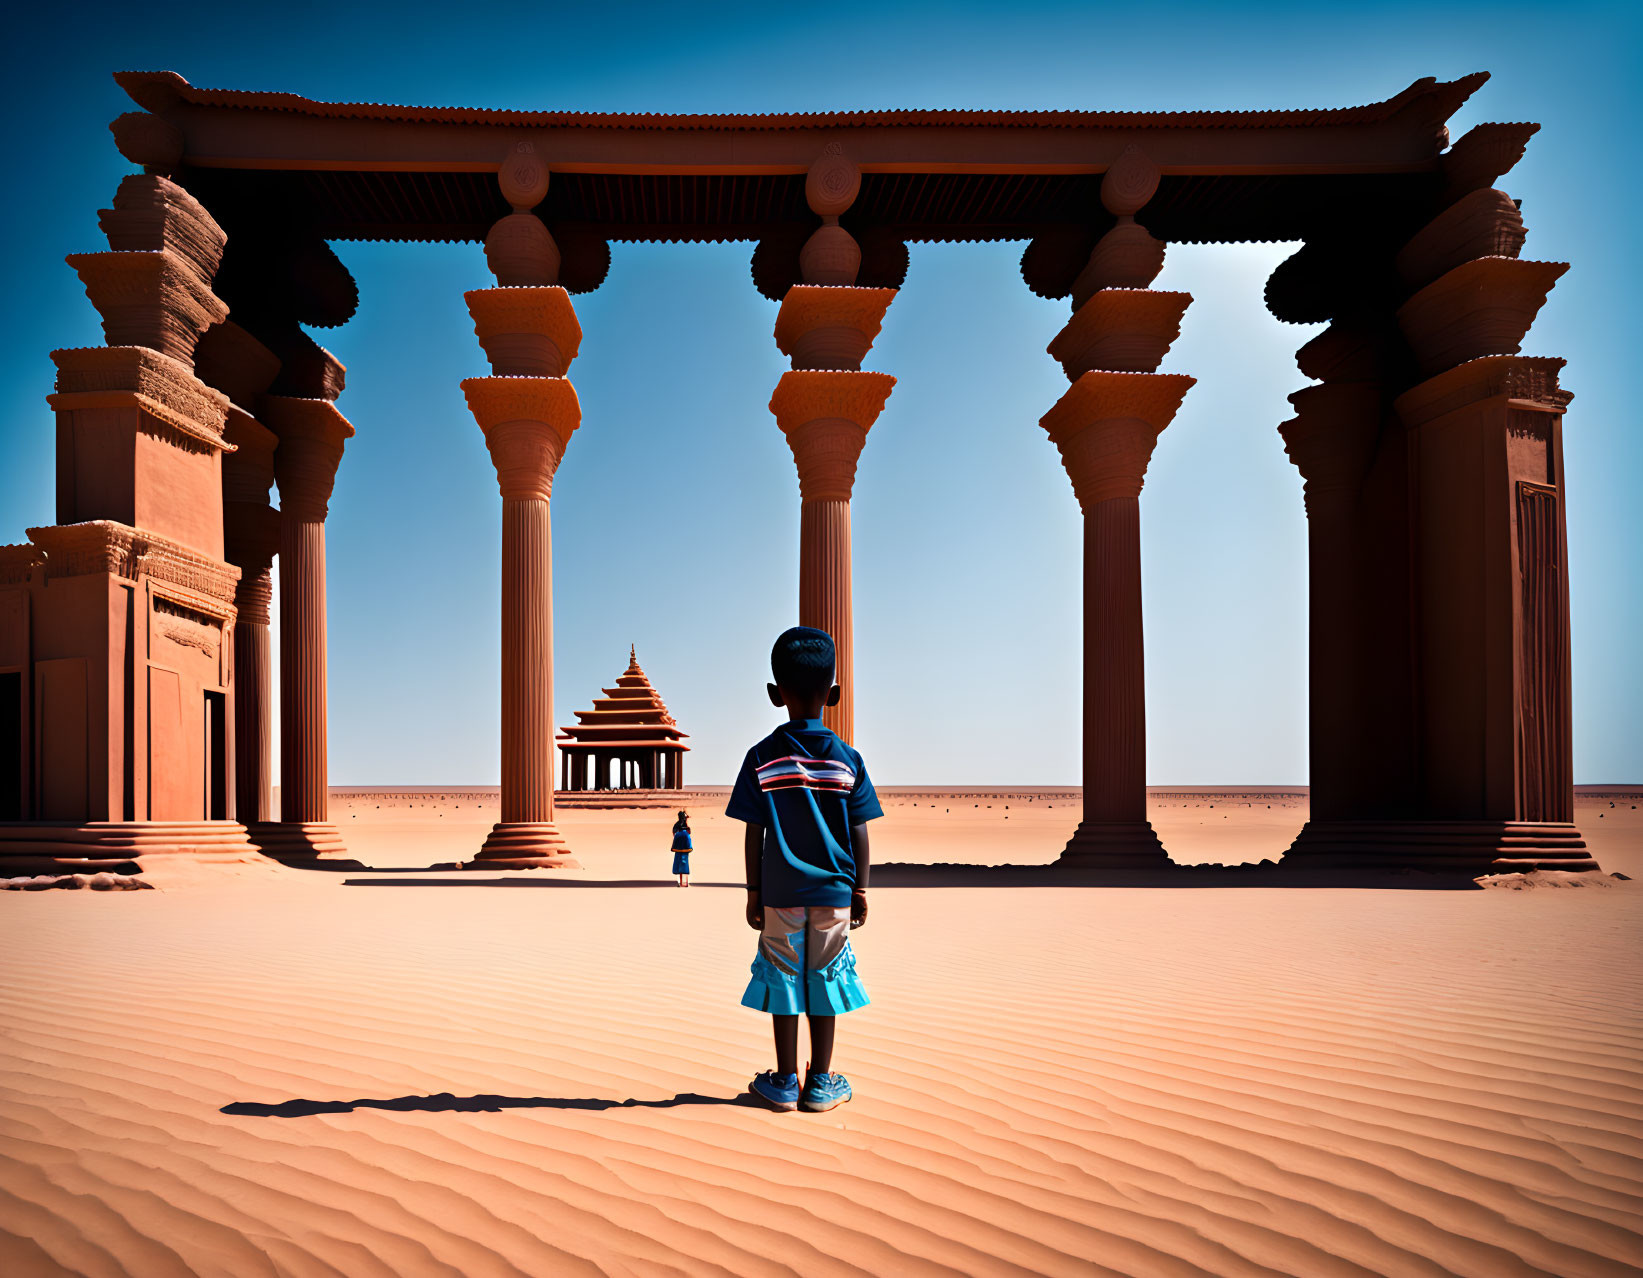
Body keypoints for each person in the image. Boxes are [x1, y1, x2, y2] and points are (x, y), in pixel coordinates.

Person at [726, 626, 881, 1113]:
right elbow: (859, 831)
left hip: (780, 892)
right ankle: (822, 1080)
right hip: (834, 892)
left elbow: (754, 832)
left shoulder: (761, 757)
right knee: (826, 980)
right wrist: (860, 889)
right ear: (833, 694)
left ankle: (784, 1081)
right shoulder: (848, 760)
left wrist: (754, 891)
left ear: (775, 695)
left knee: (784, 981)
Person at [670, 810, 692, 887]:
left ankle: (682, 882)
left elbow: (674, 834)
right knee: (683, 863)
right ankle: (683, 882)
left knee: (680, 863)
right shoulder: (684, 826)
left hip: (679, 847)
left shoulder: (677, 825)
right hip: (684, 846)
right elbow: (688, 833)